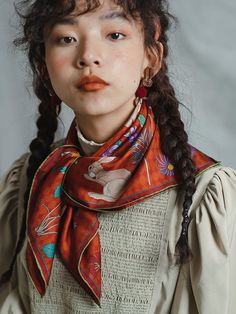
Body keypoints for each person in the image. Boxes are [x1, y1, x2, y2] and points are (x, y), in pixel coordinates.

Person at [0, 0, 235, 313]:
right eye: (66, 38)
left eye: (114, 34)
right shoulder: (29, 180)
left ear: (150, 59)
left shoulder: (205, 194)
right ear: (44, 65)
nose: (88, 57)